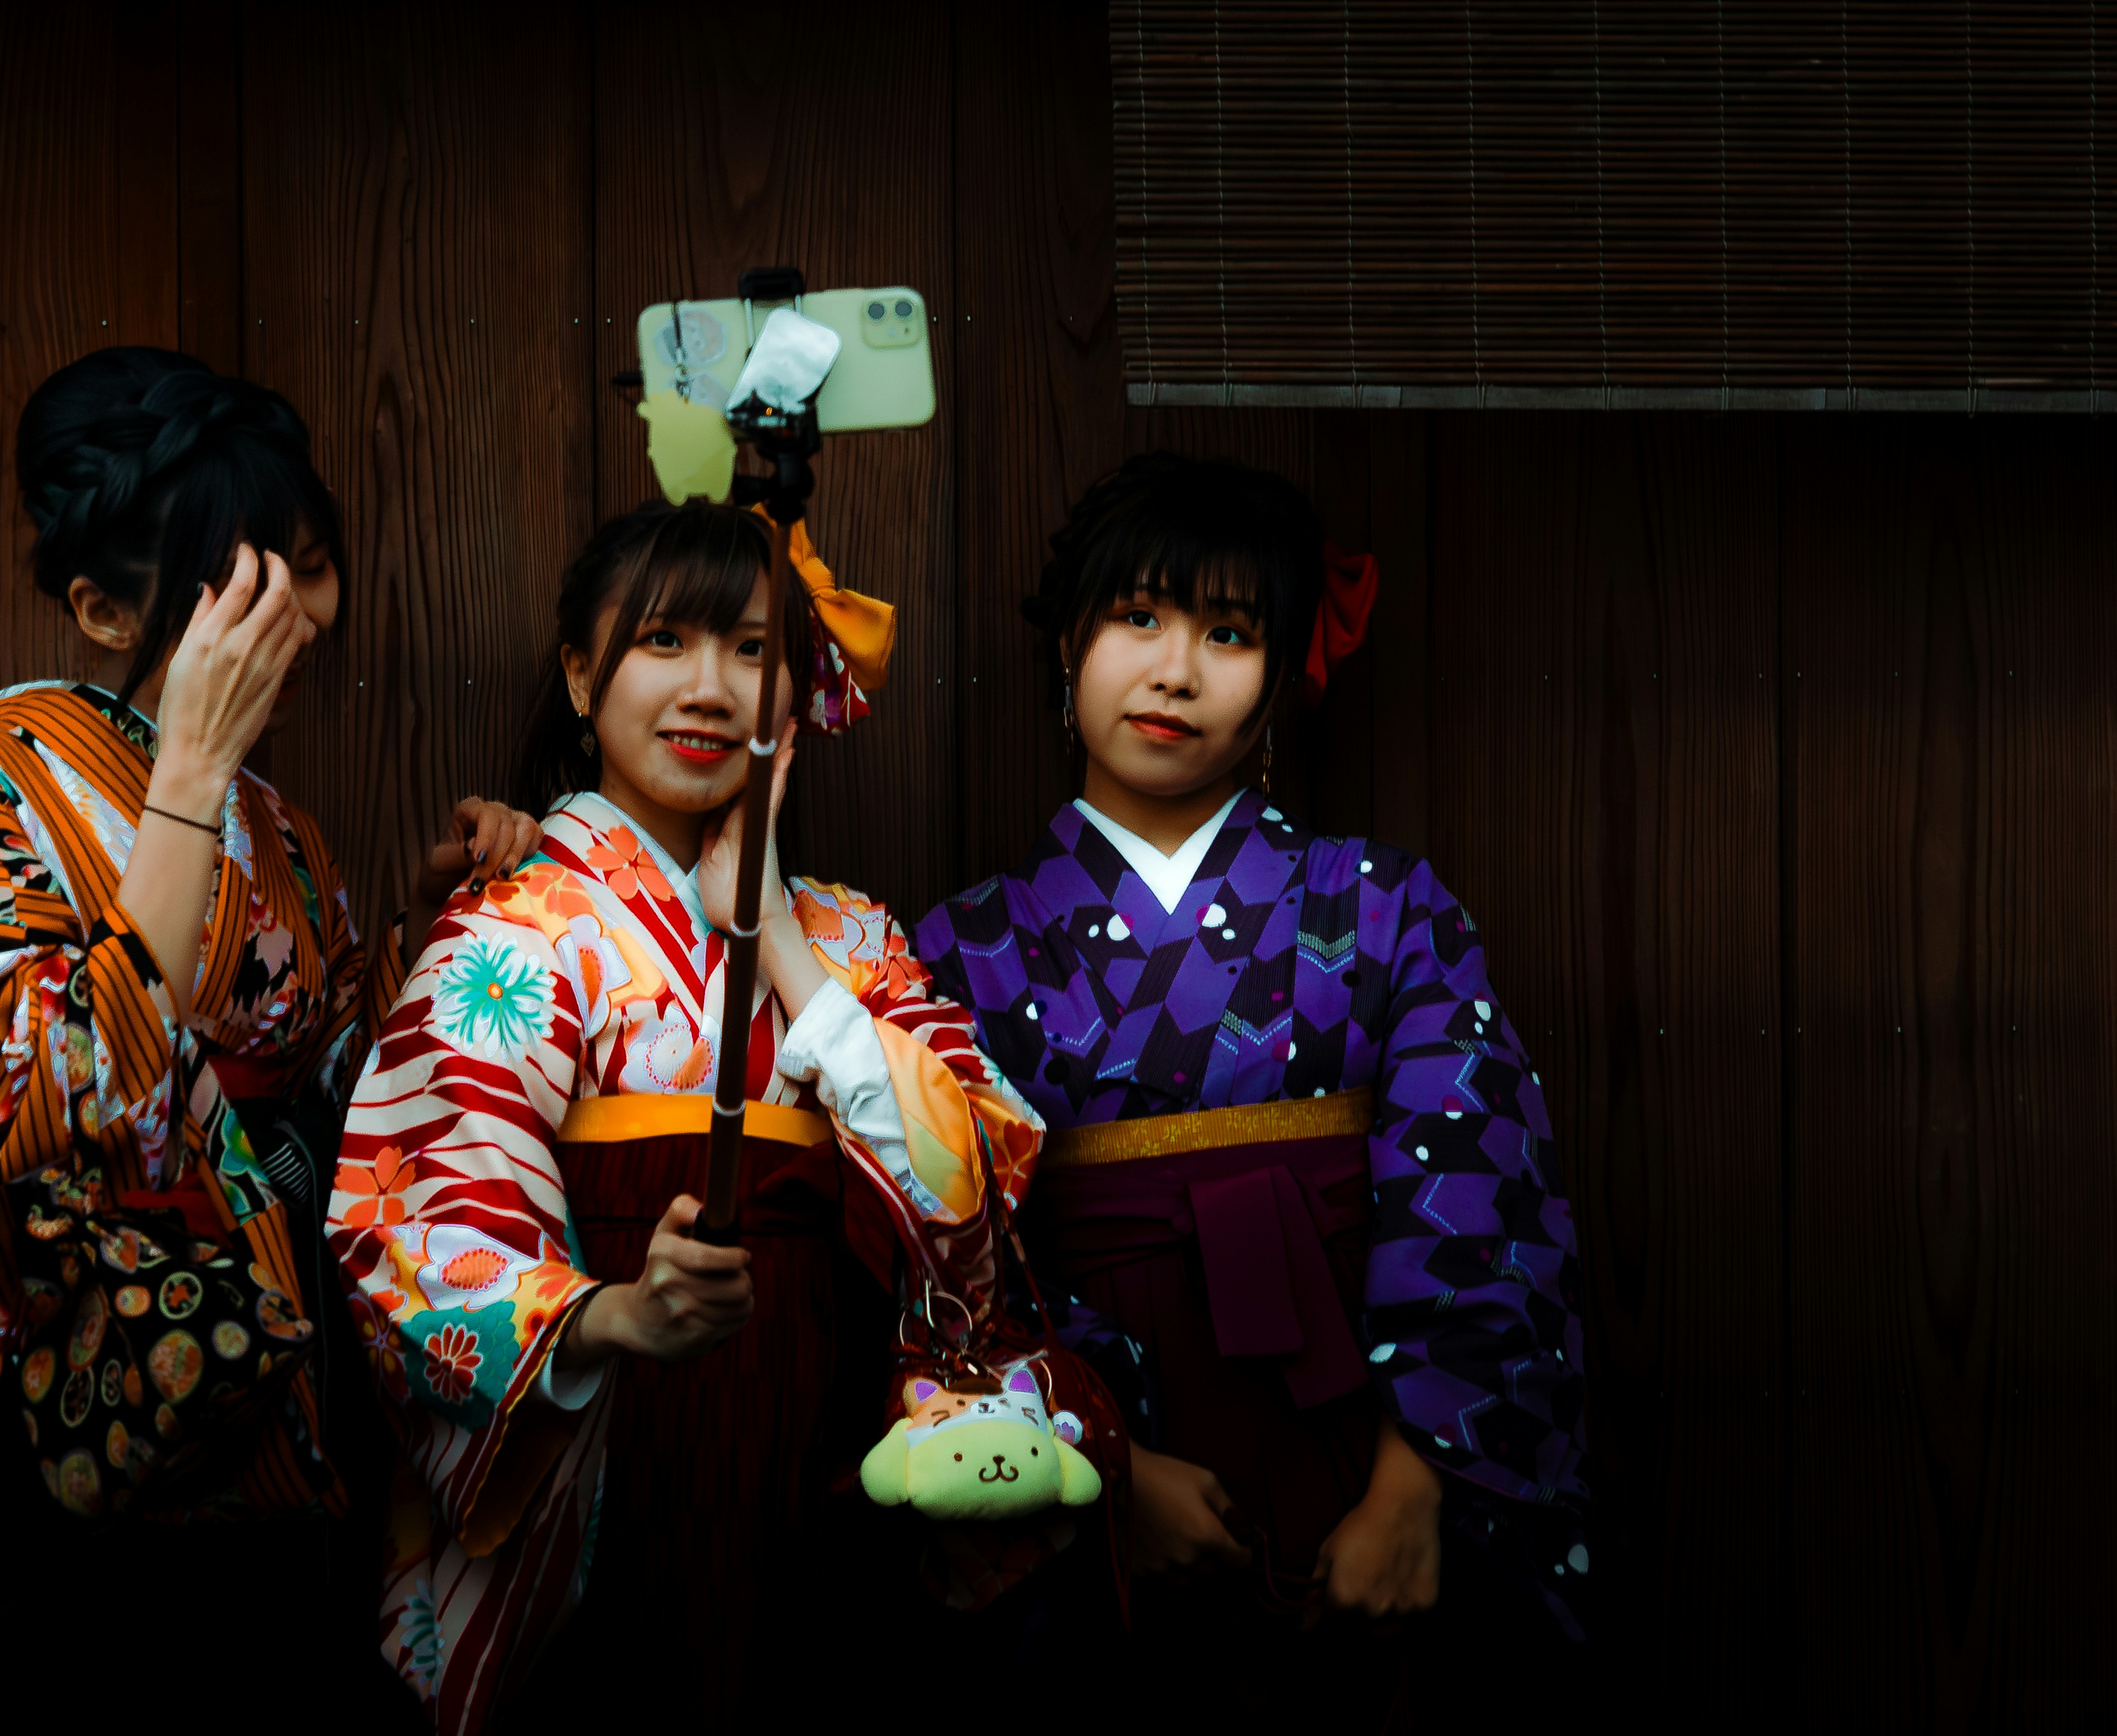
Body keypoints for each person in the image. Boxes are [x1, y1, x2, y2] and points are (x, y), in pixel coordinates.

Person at [0, 346, 538, 1719]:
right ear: (107, 610)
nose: (296, 614)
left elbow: (350, 1118)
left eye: (312, 563)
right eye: (248, 577)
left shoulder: (287, 837)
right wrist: (186, 776)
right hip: (67, 1412)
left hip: (268, 1403)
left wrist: (438, 931)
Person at [325, 499, 1048, 1735]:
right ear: (576, 672)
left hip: (821, 1461)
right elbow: (415, 1209)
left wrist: (779, 939)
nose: (710, 689)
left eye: (754, 650)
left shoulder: (853, 940)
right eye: (663, 641)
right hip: (607, 1451)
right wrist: (613, 1314)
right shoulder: (515, 929)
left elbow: (975, 1182)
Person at [913, 452, 1590, 1723]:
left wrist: (1410, 1487)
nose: (1176, 669)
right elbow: (950, 1257)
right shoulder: (959, 950)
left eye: (1228, 632)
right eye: (1137, 618)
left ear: (1279, 679)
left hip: (1363, 1457)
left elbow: (1484, 1206)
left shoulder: (1384, 908)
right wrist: (1101, 1466)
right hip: (1100, 1475)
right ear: (1069, 643)